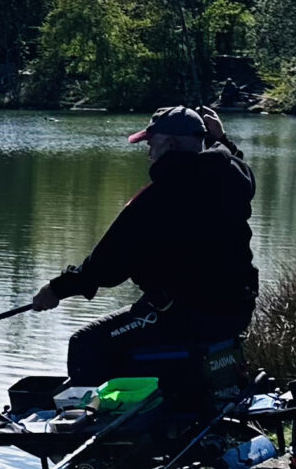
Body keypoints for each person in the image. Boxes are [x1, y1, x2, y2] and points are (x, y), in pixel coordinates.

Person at [32, 105, 257, 385]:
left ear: (170, 144)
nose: (149, 153)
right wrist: (220, 140)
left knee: (87, 344)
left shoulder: (159, 197)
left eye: (152, 144)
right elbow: (233, 161)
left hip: (187, 314)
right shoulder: (234, 179)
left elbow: (107, 266)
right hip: (235, 312)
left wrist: (56, 289)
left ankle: (93, 412)